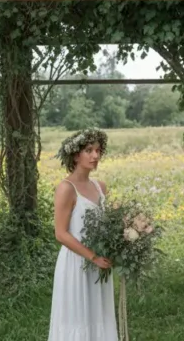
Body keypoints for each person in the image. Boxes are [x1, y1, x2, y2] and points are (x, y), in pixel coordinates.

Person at [49, 128, 117, 341]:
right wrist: (92, 257)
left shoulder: (101, 187)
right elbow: (61, 233)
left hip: (100, 263)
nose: (95, 156)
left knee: (99, 315)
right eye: (89, 150)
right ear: (75, 154)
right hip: (76, 264)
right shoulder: (66, 188)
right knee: (77, 318)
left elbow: (108, 224)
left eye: (98, 150)